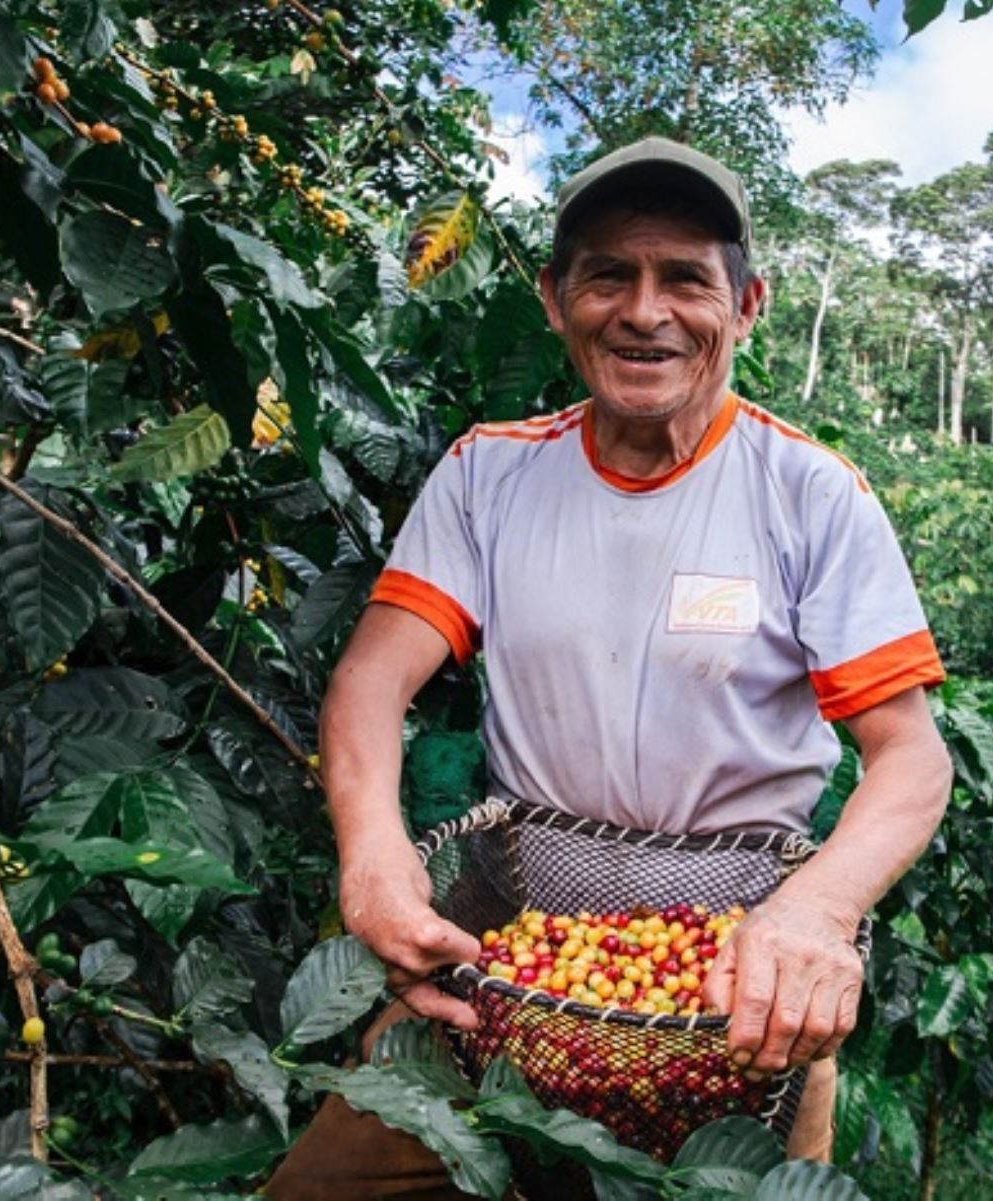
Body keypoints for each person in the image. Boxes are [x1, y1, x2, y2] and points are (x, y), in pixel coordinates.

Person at [266, 137, 953, 1199]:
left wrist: (815, 912)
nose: (644, 312)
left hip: (735, 980)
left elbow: (909, 757)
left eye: (685, 278)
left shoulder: (811, 495)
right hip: (517, 960)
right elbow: (370, 681)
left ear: (748, 304)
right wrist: (374, 855)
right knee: (321, 1185)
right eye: (608, 276)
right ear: (554, 298)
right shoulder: (489, 474)